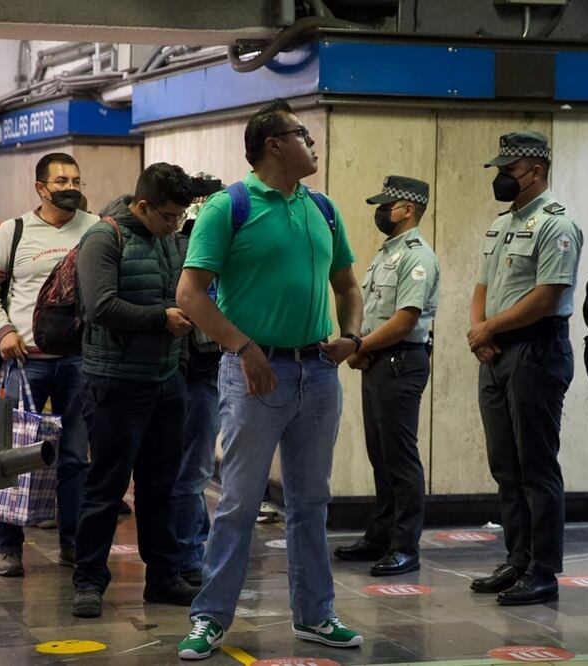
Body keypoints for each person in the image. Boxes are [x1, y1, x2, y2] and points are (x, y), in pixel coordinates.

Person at [175, 98, 364, 660]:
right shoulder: (228, 207)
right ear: (274, 144)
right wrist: (244, 347)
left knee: (311, 501)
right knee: (238, 501)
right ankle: (209, 618)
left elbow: (348, 286)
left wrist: (351, 336)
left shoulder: (323, 208)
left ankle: (315, 615)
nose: (315, 143)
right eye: (304, 133)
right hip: (255, 375)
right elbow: (189, 294)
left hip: (319, 375)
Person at [70, 163, 198, 618]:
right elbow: (100, 306)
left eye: (180, 217)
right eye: (168, 216)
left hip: (166, 381)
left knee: (160, 487)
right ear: (142, 205)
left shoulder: (166, 239)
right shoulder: (104, 238)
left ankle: (163, 576)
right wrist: (161, 319)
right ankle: (88, 580)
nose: (174, 225)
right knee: (105, 487)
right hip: (114, 381)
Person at [467, 131, 582, 606]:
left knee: (537, 466)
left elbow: (547, 295)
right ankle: (518, 558)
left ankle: (543, 570)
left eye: (507, 171)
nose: (500, 178)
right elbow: (482, 285)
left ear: (535, 170)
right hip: (496, 353)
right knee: (505, 465)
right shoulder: (501, 225)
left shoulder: (556, 225)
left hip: (537, 351)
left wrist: (490, 328)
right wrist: (481, 332)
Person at [0, 152, 95, 575]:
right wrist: (3, 332)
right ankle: (8, 548)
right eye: (61, 180)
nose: (70, 187)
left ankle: (73, 543)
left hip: (79, 363)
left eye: (76, 180)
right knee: (15, 456)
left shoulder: (95, 229)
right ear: (41, 188)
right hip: (26, 363)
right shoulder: (14, 230)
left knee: (76, 458)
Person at [335, 176, 440, 576]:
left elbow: (404, 320)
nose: (380, 212)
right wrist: (362, 346)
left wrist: (360, 347)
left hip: (401, 361)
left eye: (387, 205)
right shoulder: (388, 253)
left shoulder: (417, 256)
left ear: (408, 209)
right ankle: (380, 535)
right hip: (380, 360)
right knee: (379, 454)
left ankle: (404, 545)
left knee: (399, 456)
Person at [172, 185, 224, 587]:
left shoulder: (221, 252)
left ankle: (191, 551)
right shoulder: (179, 252)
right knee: (190, 470)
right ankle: (186, 552)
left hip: (206, 371)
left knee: (193, 469)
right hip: (180, 371)